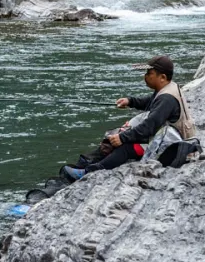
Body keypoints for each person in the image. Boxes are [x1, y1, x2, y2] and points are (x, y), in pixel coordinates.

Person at [62, 54, 197, 180]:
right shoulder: (167, 89)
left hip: (172, 148)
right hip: (165, 138)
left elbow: (148, 127)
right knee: (118, 137)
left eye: (149, 73)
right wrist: (130, 101)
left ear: (162, 77)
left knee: (125, 147)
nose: (145, 76)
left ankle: (88, 173)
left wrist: (122, 138)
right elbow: (150, 102)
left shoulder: (166, 99)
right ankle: (87, 163)